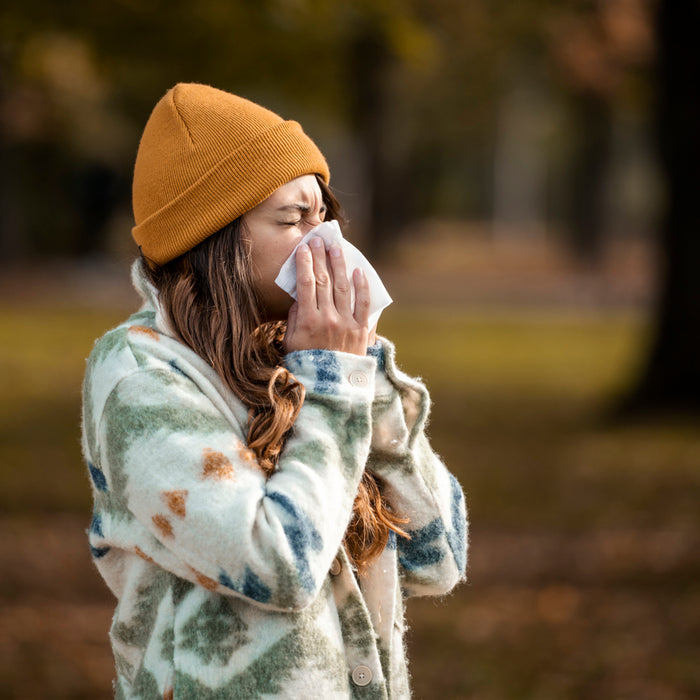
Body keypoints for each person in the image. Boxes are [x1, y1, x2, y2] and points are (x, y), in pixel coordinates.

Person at [82, 82, 468, 699]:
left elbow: (437, 558)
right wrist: (333, 384)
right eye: (292, 219)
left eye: (324, 217)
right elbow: (278, 564)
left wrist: (361, 374)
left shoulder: (300, 360)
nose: (327, 245)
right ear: (213, 241)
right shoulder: (140, 376)